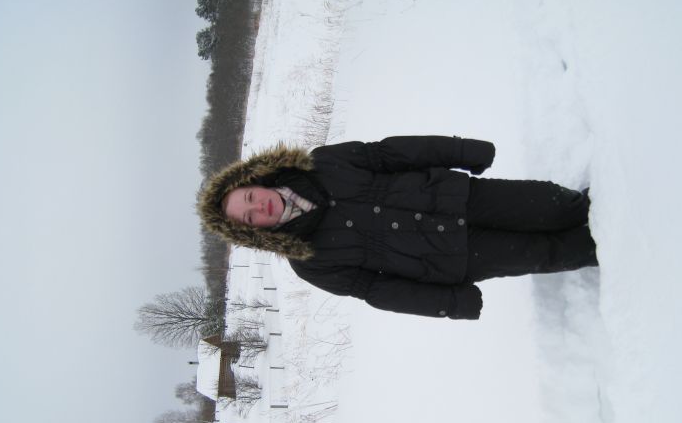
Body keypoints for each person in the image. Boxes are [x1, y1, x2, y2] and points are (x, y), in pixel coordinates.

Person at [198, 135, 597, 320]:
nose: (258, 207)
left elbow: (391, 153)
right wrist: (447, 304)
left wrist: (460, 151)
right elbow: (377, 290)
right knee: (548, 254)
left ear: (254, 181)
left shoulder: (322, 163)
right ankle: (605, 250)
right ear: (252, 231)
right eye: (248, 217)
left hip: (457, 197)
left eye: (249, 197)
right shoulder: (310, 262)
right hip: (452, 258)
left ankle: (609, 210)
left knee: (552, 203)